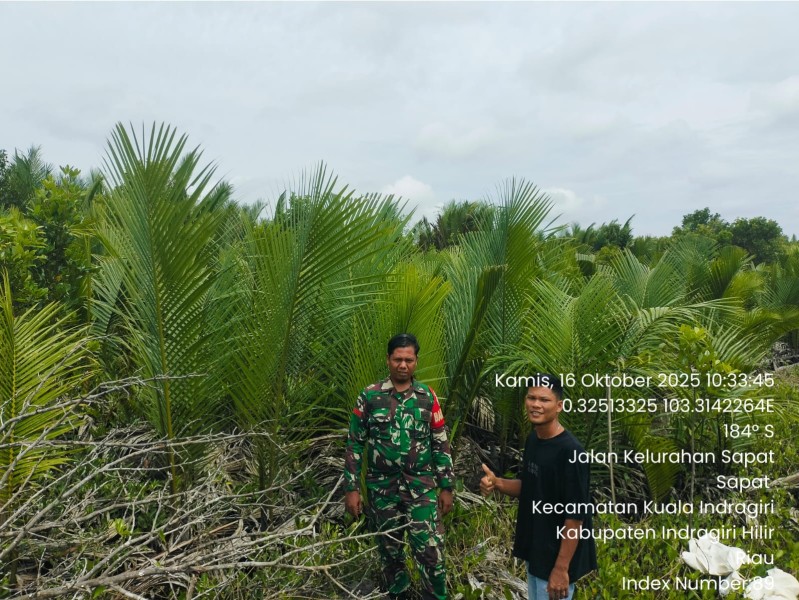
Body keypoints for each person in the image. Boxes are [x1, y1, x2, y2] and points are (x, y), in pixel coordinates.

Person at [344, 333, 455, 600]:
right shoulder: (370, 396)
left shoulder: (427, 397)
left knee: (431, 553)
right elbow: (355, 444)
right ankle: (399, 594)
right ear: (388, 360)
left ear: (416, 361)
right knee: (390, 554)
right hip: (383, 490)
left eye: (408, 360)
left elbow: (440, 443)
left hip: (421, 488)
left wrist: (447, 486)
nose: (403, 365)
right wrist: (352, 489)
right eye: (397, 359)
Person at [480, 374, 596, 600]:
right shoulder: (534, 439)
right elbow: (530, 487)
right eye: (531, 398)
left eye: (544, 400)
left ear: (559, 406)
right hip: (536, 551)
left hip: (556, 560)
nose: (536, 404)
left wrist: (561, 569)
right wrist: (497, 483)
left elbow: (575, 518)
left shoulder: (572, 453)